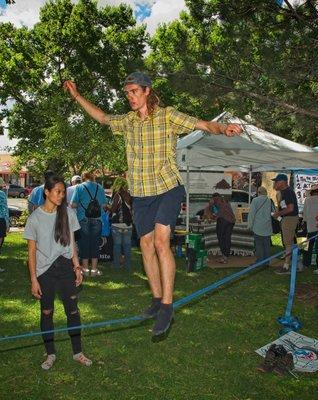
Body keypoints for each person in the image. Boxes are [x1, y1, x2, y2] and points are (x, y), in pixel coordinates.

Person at [64, 72, 242, 337]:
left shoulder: (167, 115)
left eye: (135, 91)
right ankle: (157, 299)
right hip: (141, 193)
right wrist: (77, 95)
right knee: (145, 244)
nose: (130, 97)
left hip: (168, 187)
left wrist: (223, 128)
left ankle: (168, 306)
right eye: (127, 93)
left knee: (161, 242)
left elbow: (202, 124)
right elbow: (102, 117)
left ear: (147, 90)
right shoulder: (127, 122)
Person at [23, 175, 92, 370]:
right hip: (44, 271)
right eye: (58, 192)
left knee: (73, 310)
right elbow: (31, 252)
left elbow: (71, 243)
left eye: (63, 192)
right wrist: (33, 280)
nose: (62, 195)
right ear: (47, 192)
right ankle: (50, 353)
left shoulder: (68, 213)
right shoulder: (35, 218)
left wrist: (77, 267)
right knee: (47, 312)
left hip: (65, 268)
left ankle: (78, 352)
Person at [70, 172, 107, 277]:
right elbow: (104, 205)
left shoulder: (79, 187)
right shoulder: (99, 187)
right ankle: (94, 270)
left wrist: (81, 205)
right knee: (95, 244)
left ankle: (85, 270)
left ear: (83, 178)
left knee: (84, 244)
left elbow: (73, 204)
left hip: (83, 219)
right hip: (97, 219)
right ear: (92, 177)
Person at [271, 174, 300, 275]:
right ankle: (295, 264)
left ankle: (287, 266)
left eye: (277, 181)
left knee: (288, 243)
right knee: (289, 242)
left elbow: (290, 208)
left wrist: (277, 214)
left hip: (290, 218)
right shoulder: (283, 192)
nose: (275, 183)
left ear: (283, 182)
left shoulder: (287, 192)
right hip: (287, 218)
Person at [107, 177, 133, 270]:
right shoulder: (129, 195)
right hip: (128, 224)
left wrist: (107, 207)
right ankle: (128, 265)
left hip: (117, 224)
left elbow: (113, 209)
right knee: (127, 246)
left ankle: (117, 265)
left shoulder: (117, 195)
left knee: (117, 246)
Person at [204, 193, 235, 263]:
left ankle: (224, 257)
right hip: (231, 221)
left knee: (221, 238)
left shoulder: (217, 200)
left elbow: (219, 211)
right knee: (227, 238)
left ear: (214, 197)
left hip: (223, 221)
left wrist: (214, 218)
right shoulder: (224, 200)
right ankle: (226, 256)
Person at [248, 186, 275, 266]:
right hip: (267, 226)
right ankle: (267, 261)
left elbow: (251, 214)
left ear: (258, 192)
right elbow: (272, 212)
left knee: (258, 245)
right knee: (267, 245)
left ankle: (260, 261)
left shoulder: (255, 200)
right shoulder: (269, 200)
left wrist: (249, 225)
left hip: (258, 226)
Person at [301, 185, 318, 268]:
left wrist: (304, 221)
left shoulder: (308, 199)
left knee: (306, 246)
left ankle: (306, 263)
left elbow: (305, 214)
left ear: (311, 192)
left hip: (309, 225)